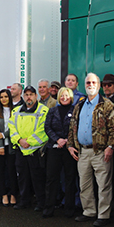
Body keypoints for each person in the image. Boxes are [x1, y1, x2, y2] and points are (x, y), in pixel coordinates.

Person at [68, 73, 114, 227]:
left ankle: (104, 215)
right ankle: (89, 212)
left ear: (98, 85)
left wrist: (111, 147)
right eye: (88, 82)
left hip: (101, 151)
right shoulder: (80, 105)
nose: (90, 85)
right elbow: (72, 127)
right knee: (84, 184)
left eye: (93, 82)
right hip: (82, 151)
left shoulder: (107, 105)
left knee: (104, 185)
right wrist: (70, 145)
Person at [9, 86, 49, 210]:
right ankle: (24, 201)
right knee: (22, 177)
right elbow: (12, 128)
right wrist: (19, 141)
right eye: (26, 95)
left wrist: (29, 142)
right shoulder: (16, 111)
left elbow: (43, 129)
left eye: (31, 94)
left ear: (36, 96)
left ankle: (41, 203)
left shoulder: (44, 110)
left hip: (36, 151)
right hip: (21, 150)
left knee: (38, 178)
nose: (28, 97)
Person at [43, 87, 78, 218]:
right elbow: (47, 127)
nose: (64, 98)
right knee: (51, 179)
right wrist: (57, 139)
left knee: (69, 179)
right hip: (54, 148)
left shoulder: (75, 110)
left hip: (70, 149)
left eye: (67, 96)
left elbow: (75, 128)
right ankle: (49, 208)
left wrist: (67, 141)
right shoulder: (52, 111)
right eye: (62, 96)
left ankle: (69, 209)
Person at [0, 89, 17, 206]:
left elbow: (15, 128)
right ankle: (4, 195)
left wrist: (4, 134)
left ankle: (13, 194)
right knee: (0, 172)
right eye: (1, 97)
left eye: (6, 96)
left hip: (12, 146)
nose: (4, 99)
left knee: (12, 171)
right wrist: (0, 146)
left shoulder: (15, 111)